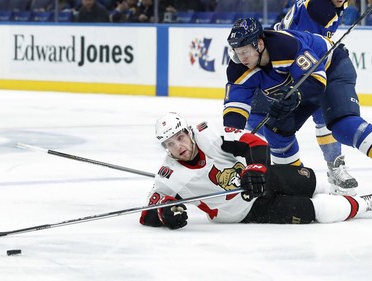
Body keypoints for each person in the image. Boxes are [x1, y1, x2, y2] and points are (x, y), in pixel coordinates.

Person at [139, 112, 372, 229]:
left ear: (189, 132)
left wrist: (256, 169)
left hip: (261, 178)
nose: (178, 147)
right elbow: (148, 212)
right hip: (245, 211)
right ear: (165, 148)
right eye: (170, 144)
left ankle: (338, 193)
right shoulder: (169, 176)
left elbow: (255, 142)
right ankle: (365, 205)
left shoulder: (208, 135)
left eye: (180, 137)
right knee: (311, 210)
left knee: (308, 181)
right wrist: (165, 215)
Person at [222, 18, 372, 194]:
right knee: (275, 132)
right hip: (297, 87)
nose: (242, 58)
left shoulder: (285, 46)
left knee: (344, 126)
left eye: (245, 51)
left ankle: (335, 166)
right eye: (238, 52)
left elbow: (316, 80)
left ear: (260, 44)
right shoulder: (238, 68)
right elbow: (234, 110)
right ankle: (296, 185)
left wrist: (296, 95)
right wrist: (232, 147)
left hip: (331, 70)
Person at [249, 0, 358, 196]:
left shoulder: (334, 5)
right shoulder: (319, 8)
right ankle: (250, 168)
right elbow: (305, 45)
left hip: (296, 64)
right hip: (277, 66)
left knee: (325, 114)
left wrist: (329, 47)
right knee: (258, 122)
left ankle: (334, 167)